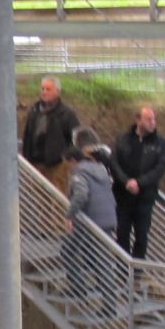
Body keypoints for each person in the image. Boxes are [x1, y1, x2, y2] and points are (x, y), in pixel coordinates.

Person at [63, 126, 119, 310]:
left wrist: (69, 215)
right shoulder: (100, 169)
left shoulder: (79, 174)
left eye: (68, 164)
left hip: (90, 222)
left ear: (72, 161)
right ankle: (93, 296)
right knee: (99, 261)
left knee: (72, 253)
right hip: (107, 219)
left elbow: (81, 195)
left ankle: (103, 303)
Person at [110, 105, 165, 259]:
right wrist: (126, 182)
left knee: (142, 236)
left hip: (144, 199)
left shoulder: (160, 144)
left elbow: (159, 168)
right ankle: (122, 271)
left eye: (153, 119)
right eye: (148, 119)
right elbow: (114, 163)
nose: (152, 123)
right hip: (123, 197)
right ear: (137, 120)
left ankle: (137, 272)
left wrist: (139, 183)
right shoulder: (123, 139)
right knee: (122, 234)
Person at [19, 77, 78, 193]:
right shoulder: (34, 111)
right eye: (42, 89)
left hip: (57, 166)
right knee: (39, 199)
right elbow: (27, 135)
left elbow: (76, 137)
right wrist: (27, 157)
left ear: (57, 91)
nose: (44, 92)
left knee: (58, 199)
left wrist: (65, 156)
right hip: (36, 163)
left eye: (48, 89)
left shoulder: (67, 113)